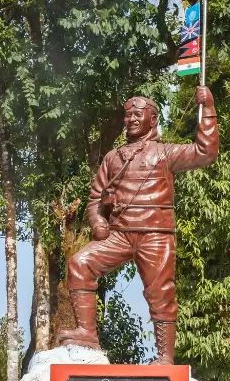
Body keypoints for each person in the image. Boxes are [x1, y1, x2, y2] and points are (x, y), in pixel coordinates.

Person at [57, 86, 219, 365]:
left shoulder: (165, 153)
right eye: (127, 114)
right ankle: (87, 333)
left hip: (155, 235)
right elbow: (95, 197)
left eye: (137, 114)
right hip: (118, 235)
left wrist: (208, 109)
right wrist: (97, 222)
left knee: (160, 294)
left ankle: (165, 358)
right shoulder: (112, 158)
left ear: (153, 119)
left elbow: (205, 152)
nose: (130, 119)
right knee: (80, 263)